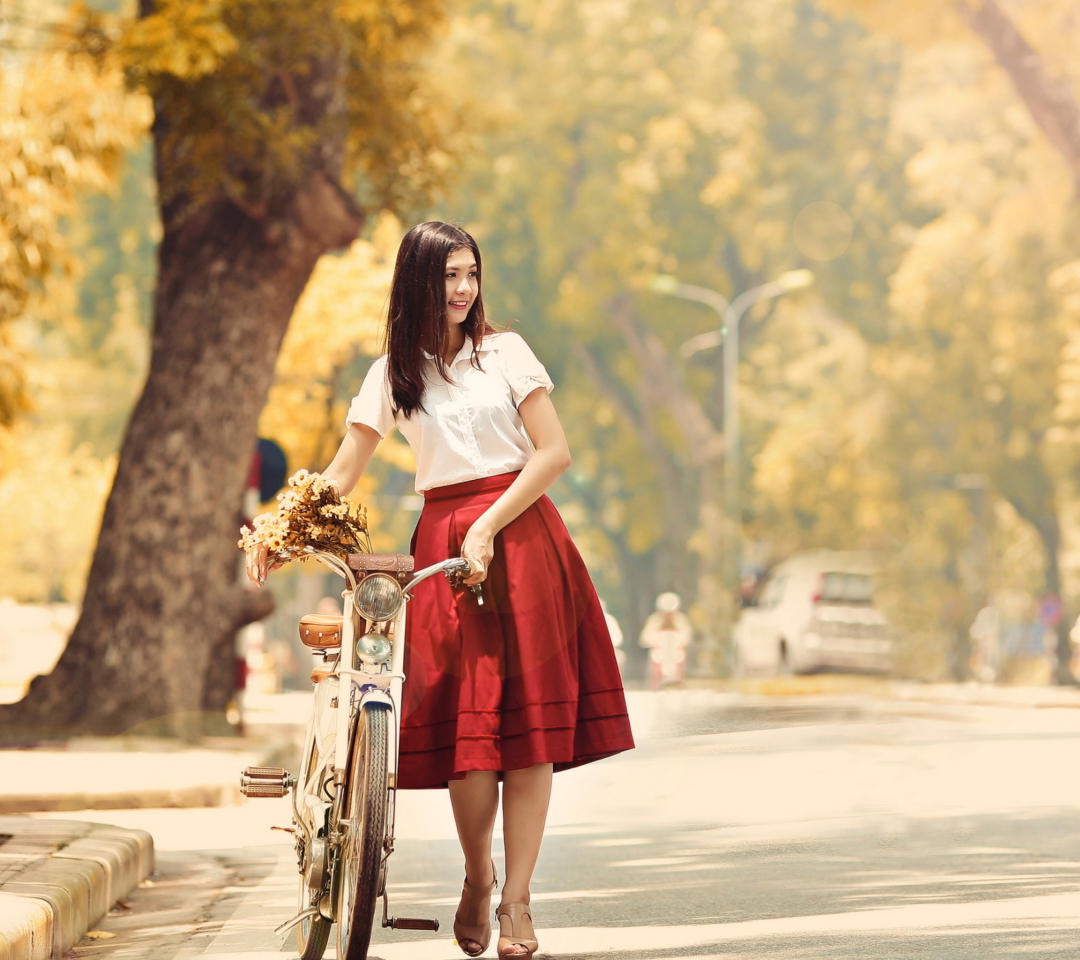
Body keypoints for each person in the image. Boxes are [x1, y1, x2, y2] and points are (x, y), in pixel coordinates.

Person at [244, 221, 634, 959]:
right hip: (442, 542)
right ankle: (478, 876)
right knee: (472, 737)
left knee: (530, 740)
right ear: (418, 281)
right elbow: (343, 470)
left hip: (521, 534)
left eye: (471, 274)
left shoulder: (506, 354)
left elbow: (553, 453)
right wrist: (279, 531)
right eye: (448, 276)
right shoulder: (393, 371)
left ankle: (518, 902)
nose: (462, 290)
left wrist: (486, 527)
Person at [639, 592, 693, 689]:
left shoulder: (680, 619)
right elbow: (645, 637)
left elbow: (687, 636)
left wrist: (676, 640)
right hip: (660, 652)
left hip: (676, 652)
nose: (668, 615)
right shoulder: (655, 620)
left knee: (680, 657)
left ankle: (678, 682)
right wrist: (658, 640)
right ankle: (656, 684)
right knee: (655, 658)